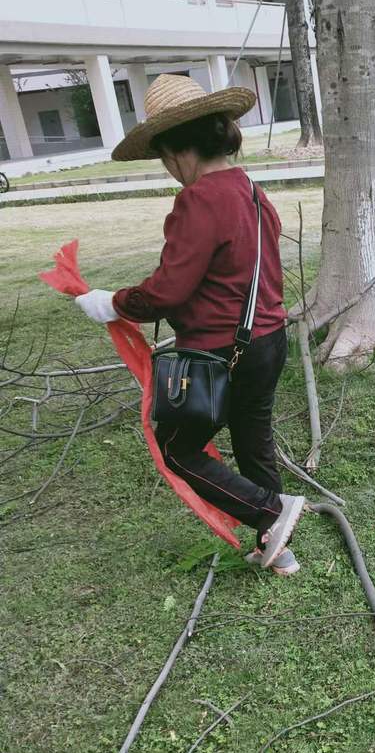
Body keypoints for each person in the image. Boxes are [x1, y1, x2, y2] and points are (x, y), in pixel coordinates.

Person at [74, 74, 304, 575]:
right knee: (253, 441)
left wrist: (112, 303)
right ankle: (276, 546)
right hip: (268, 339)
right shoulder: (250, 190)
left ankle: (270, 512)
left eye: (163, 157)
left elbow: (167, 290)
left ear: (178, 149)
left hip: (221, 352)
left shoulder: (200, 198)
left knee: (177, 449)